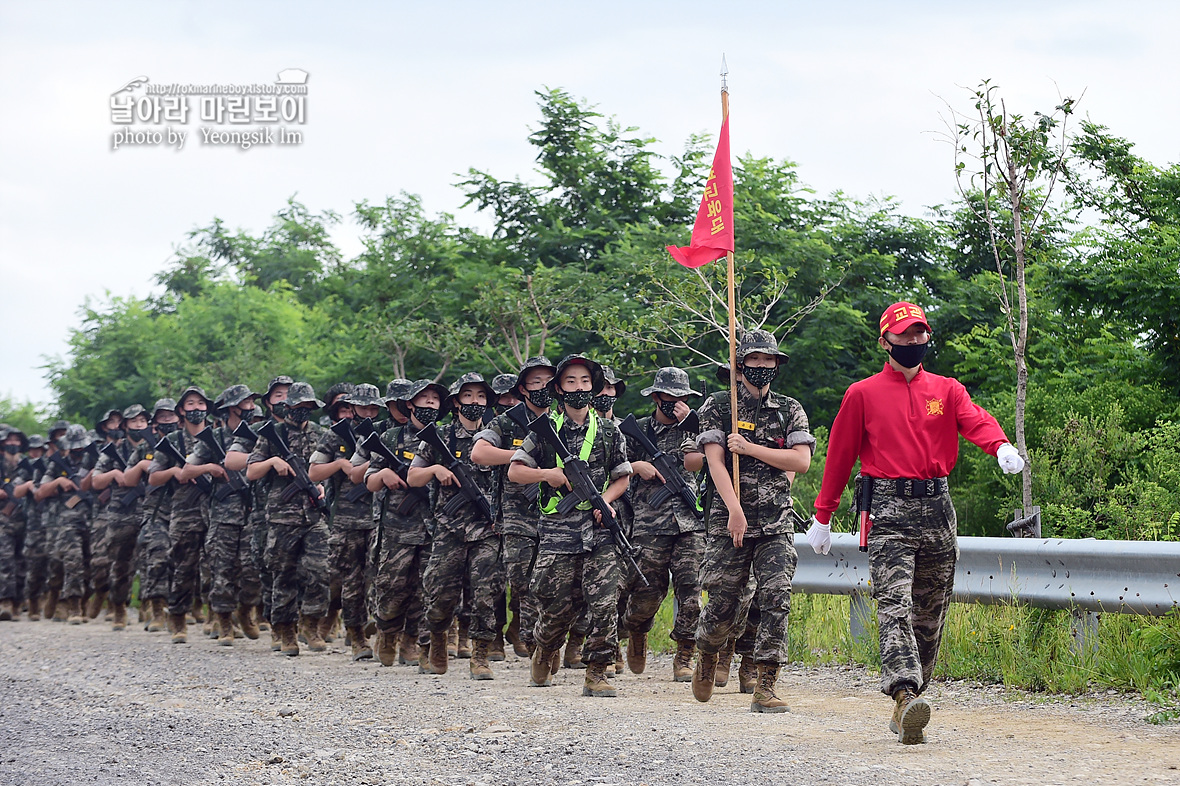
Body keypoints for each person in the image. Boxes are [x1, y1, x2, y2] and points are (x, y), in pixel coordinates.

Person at [805, 301, 1024, 744]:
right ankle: (904, 693)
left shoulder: (946, 389)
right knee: (894, 605)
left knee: (931, 609)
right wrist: (823, 515)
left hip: (938, 507)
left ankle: (911, 700)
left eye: (920, 334)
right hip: (888, 507)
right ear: (885, 341)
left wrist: (999, 445)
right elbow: (840, 457)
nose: (913, 342)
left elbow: (974, 420)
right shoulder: (862, 394)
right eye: (904, 335)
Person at [691, 329, 815, 713]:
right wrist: (734, 509)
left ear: (776, 365)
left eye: (767, 360)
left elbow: (801, 461)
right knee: (724, 603)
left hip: (776, 521)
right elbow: (714, 460)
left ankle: (766, 683)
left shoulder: (790, 409)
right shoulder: (717, 406)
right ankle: (708, 652)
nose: (760, 366)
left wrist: (750, 449)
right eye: (753, 359)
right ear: (740, 364)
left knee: (776, 596)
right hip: (730, 519)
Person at [508, 355, 632, 697]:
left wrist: (606, 499)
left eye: (584, 381)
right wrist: (547, 474)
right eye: (571, 381)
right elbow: (515, 471)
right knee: (555, 608)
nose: (579, 387)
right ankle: (545, 648)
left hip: (600, 532)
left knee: (605, 602)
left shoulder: (609, 430)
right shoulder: (545, 430)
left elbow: (623, 476)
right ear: (559, 388)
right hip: (558, 533)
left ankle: (597, 671)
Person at [408, 372, 503, 680]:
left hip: (487, 529)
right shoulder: (440, 437)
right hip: (449, 529)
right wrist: (435, 468)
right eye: (468, 396)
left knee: (486, 594)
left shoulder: (494, 435)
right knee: (439, 594)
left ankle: (480, 654)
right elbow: (413, 478)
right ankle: (434, 642)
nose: (474, 402)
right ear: (456, 402)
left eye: (480, 396)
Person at [619, 367, 704, 681]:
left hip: (690, 524)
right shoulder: (636, 430)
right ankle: (637, 632)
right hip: (650, 525)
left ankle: (685, 652)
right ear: (656, 397)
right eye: (670, 397)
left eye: (682, 397)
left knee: (692, 593)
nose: (677, 402)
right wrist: (637, 465)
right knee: (646, 595)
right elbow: (610, 464)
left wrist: (692, 423)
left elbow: (711, 454)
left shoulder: (694, 428)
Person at [471, 357, 557, 660]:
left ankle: (540, 645)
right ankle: (500, 641)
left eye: (549, 381)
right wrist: (521, 456)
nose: (544, 388)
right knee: (519, 581)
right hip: (516, 516)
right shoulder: (508, 420)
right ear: (522, 388)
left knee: (549, 583)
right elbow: (479, 453)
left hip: (556, 516)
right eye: (537, 382)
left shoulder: (561, 421)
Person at [364, 379, 444, 667]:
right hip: (398, 527)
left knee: (428, 589)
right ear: (410, 404)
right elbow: (369, 480)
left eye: (435, 400)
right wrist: (383, 475)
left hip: (434, 526)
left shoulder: (443, 437)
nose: (430, 406)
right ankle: (386, 634)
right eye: (424, 400)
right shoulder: (391, 438)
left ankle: (414, 642)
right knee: (392, 587)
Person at [247, 381, 329, 656]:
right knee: (283, 574)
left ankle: (311, 623)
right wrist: (272, 462)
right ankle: (285, 630)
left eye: (308, 407)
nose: (303, 411)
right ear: (287, 407)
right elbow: (251, 471)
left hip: (313, 514)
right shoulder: (271, 434)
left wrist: (321, 484)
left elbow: (326, 469)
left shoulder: (320, 434)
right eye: (298, 406)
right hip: (282, 517)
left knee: (319, 570)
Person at [192, 385, 261, 645]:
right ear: (233, 407)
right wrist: (211, 467)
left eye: (253, 403)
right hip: (223, 515)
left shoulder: (257, 435)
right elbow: (187, 471)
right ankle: (224, 621)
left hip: (253, 512)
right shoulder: (214, 438)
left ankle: (245, 611)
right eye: (246, 403)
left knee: (253, 570)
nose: (252, 407)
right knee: (222, 570)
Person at [151, 386, 215, 644]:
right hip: (184, 512)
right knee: (183, 568)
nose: (196, 408)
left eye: (201, 403)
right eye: (190, 403)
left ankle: (216, 616)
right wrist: (175, 473)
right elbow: (154, 476)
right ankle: (177, 617)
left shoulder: (217, 437)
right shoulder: (172, 442)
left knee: (215, 566)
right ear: (181, 410)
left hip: (215, 510)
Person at [89, 404, 152, 631]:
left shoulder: (154, 448)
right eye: (133, 421)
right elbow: (95, 481)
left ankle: (149, 605)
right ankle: (119, 607)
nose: (138, 425)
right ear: (125, 425)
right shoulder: (112, 451)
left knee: (150, 562)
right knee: (120, 565)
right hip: (120, 515)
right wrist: (115, 474)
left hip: (149, 512)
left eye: (142, 421)